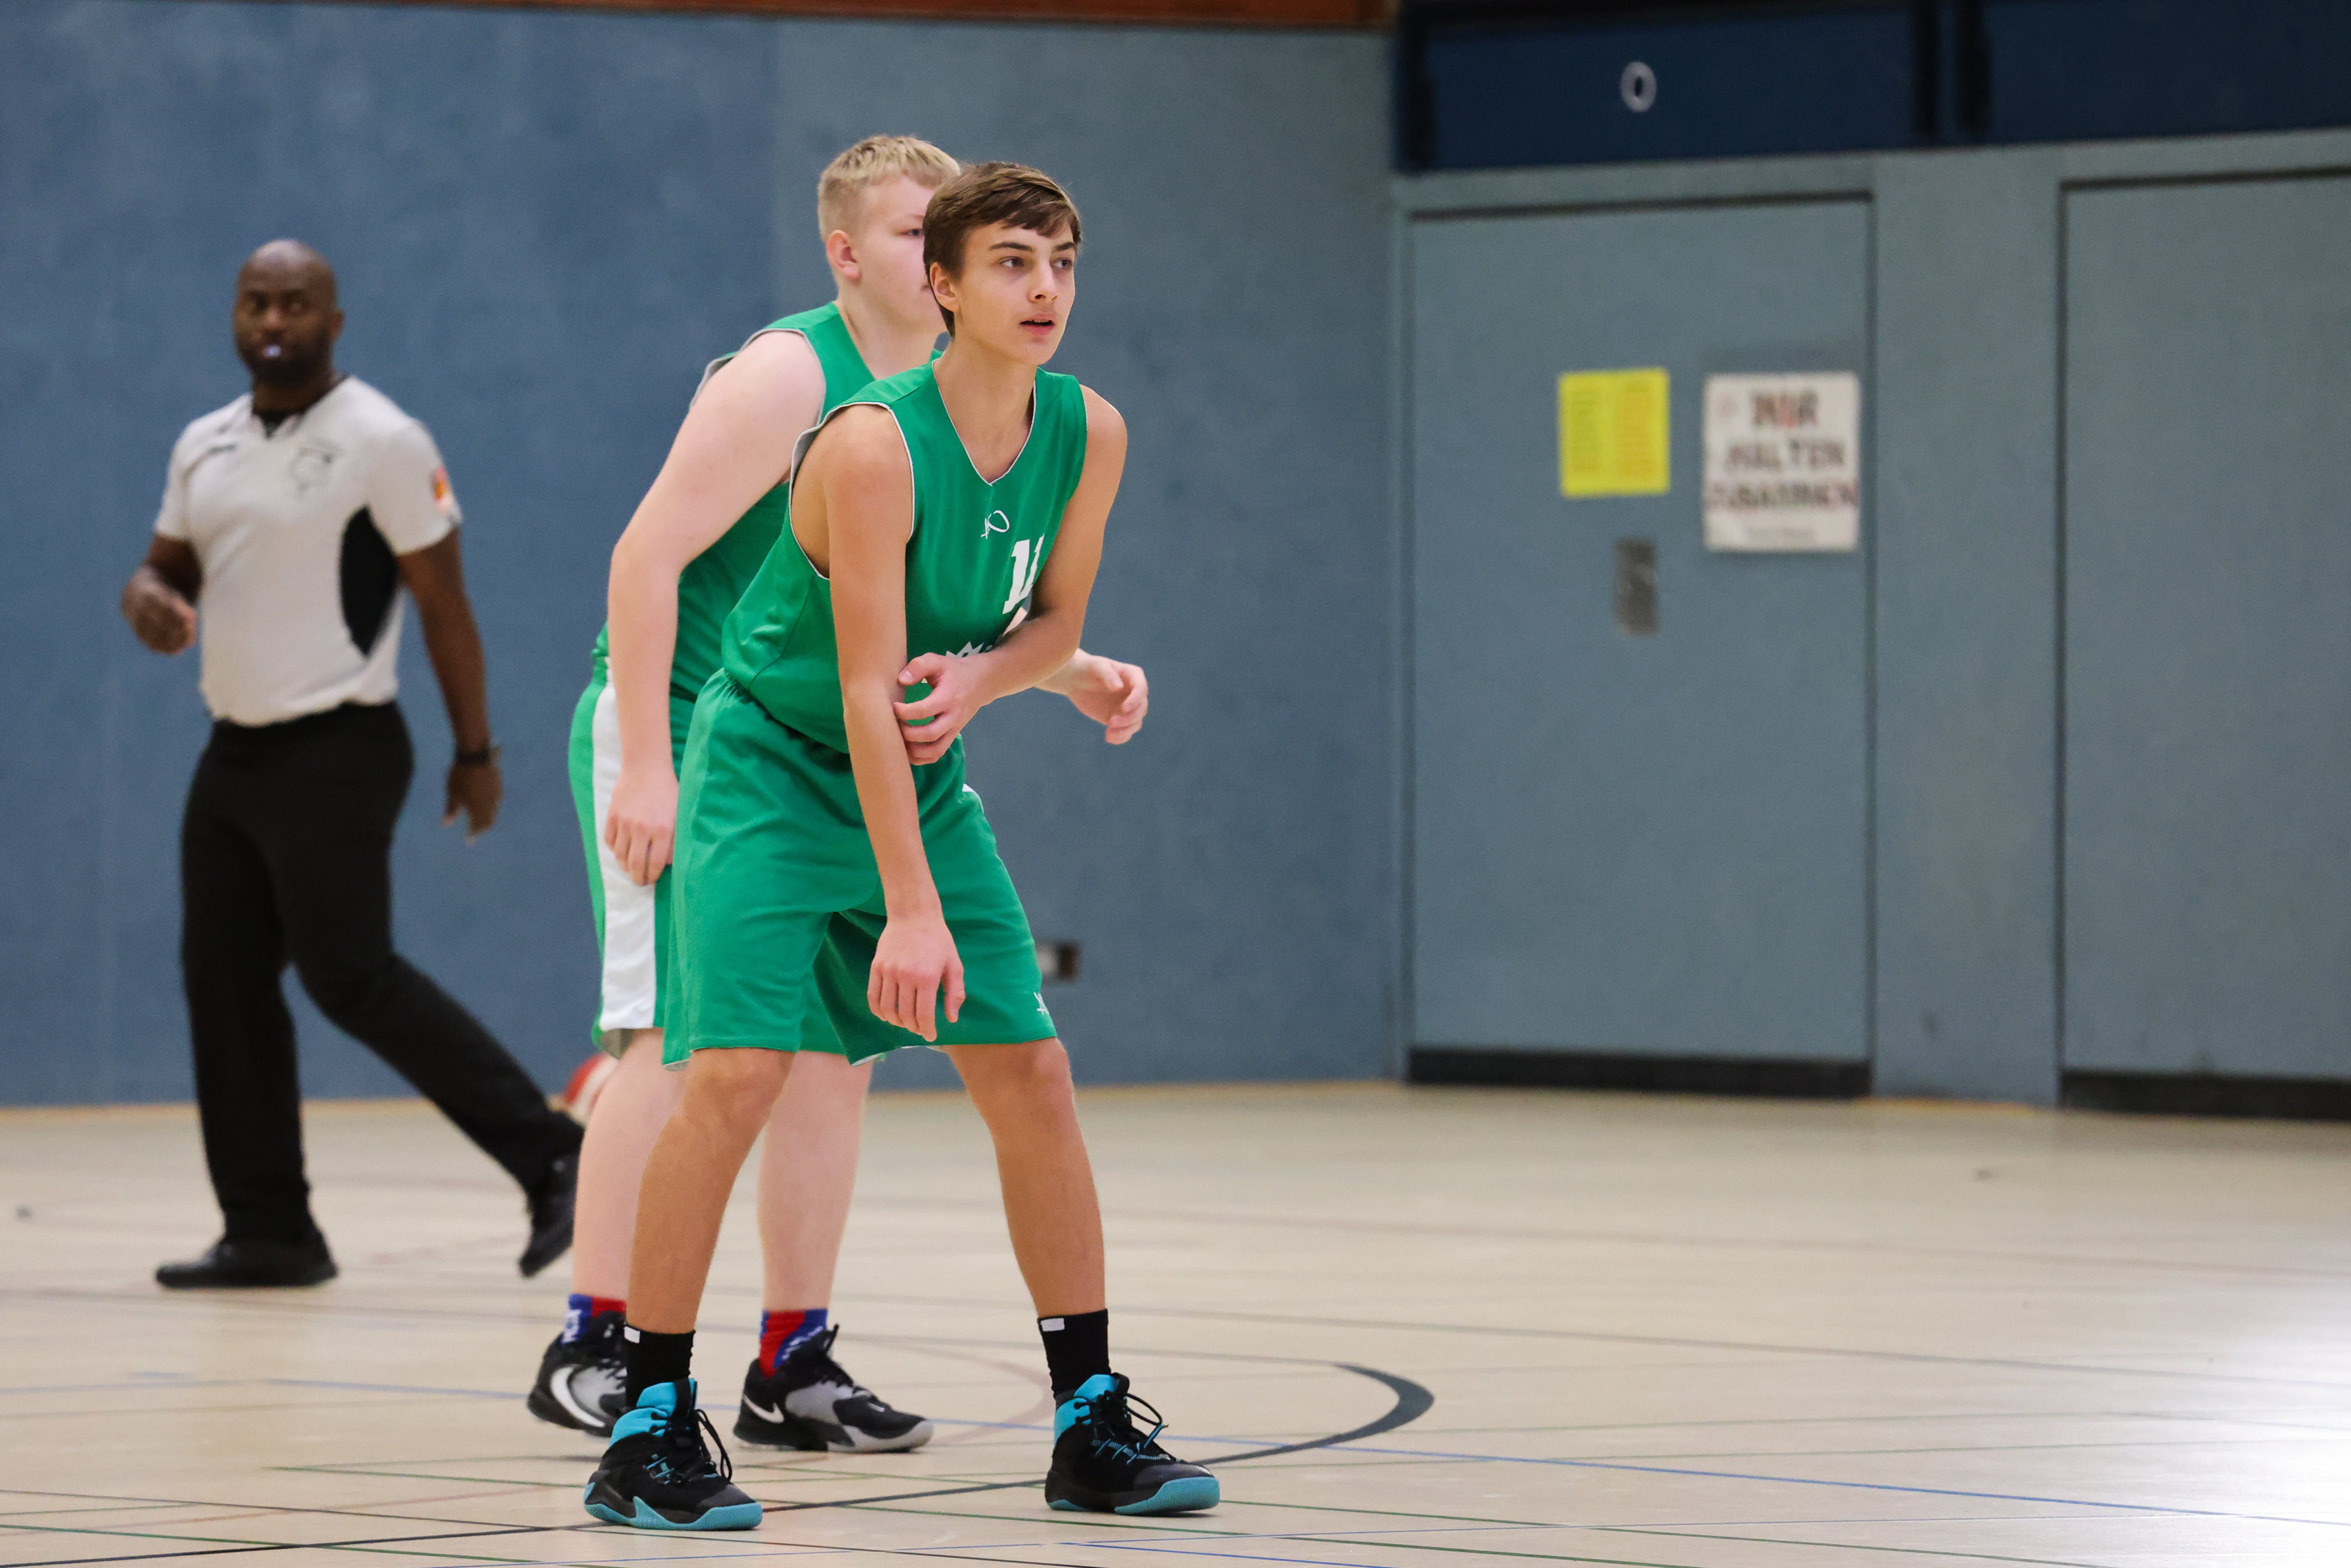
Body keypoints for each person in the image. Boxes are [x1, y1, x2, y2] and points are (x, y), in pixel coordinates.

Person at [581, 162, 1213, 1533]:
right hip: (769, 765)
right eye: (1011, 263)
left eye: (1062, 261)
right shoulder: (869, 444)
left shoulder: (1088, 430)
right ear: (943, 286)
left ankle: (1090, 1418)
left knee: (1031, 1069)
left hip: (915, 769)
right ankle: (648, 1421)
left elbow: (1047, 620)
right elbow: (867, 690)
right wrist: (911, 909)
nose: (1045, 288)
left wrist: (1002, 676)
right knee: (733, 1074)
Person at [123, 242, 583, 1289]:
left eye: (295, 304)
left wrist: (475, 750)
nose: (272, 319)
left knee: (350, 975)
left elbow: (444, 602)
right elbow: (162, 569)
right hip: (233, 754)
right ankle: (270, 1228)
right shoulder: (204, 444)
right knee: (223, 978)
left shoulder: (383, 439)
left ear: (334, 323)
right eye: (255, 302)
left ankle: (554, 1154)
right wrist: (146, 597)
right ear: (234, 315)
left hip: (340, 746)